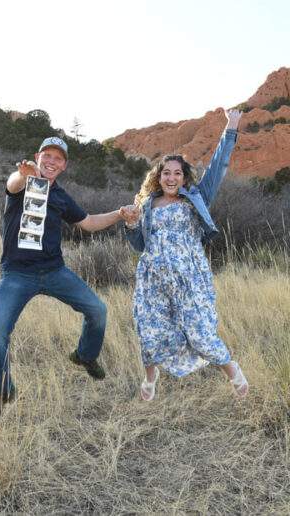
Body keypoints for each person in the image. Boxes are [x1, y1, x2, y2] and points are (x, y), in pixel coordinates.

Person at [0, 136, 125, 425]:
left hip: (54, 271)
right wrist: (21, 175)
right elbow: (11, 185)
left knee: (97, 311)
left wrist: (120, 214)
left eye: (57, 158)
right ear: (38, 157)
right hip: (17, 275)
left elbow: (89, 223)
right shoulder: (23, 184)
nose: (50, 161)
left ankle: (85, 355)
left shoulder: (60, 196)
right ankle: (2, 391)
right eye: (46, 155)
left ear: (63, 166)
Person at [120, 109, 249, 402]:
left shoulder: (196, 199)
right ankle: (151, 377)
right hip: (153, 279)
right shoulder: (147, 205)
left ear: (184, 177)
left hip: (190, 279)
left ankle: (233, 370)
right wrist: (131, 225)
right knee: (149, 331)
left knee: (200, 333)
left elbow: (218, 166)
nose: (172, 177)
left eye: (177, 173)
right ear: (158, 176)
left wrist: (231, 127)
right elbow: (139, 245)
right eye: (166, 172)